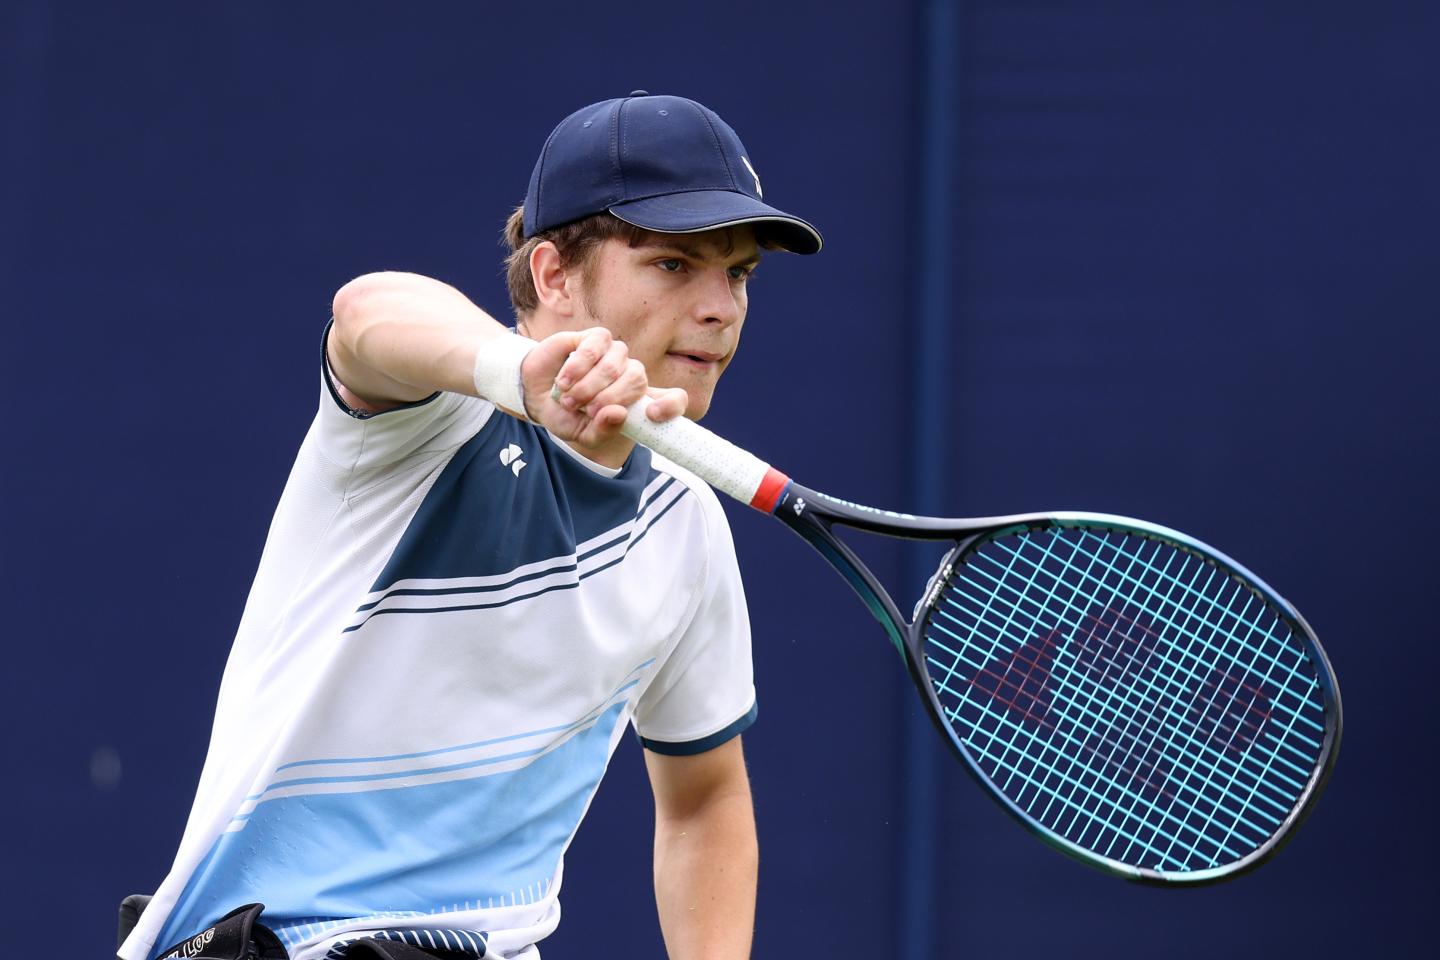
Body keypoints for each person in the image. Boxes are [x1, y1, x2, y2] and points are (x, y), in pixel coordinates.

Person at [117, 92, 822, 960]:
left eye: (739, 272)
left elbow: (705, 799)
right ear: (555, 275)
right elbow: (368, 311)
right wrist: (522, 374)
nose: (722, 307)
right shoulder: (438, 415)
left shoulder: (685, 524)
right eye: (675, 265)